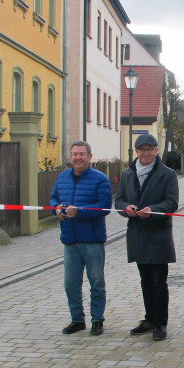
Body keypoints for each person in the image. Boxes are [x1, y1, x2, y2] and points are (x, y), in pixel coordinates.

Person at [115, 134, 178, 341]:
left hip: (158, 234)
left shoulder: (167, 174)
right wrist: (127, 208)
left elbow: (172, 203)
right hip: (138, 234)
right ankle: (149, 319)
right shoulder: (127, 174)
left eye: (150, 149)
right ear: (137, 151)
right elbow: (119, 201)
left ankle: (160, 322)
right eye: (142, 149)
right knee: (145, 280)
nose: (146, 153)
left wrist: (153, 210)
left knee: (159, 282)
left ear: (156, 150)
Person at [50, 141, 112, 336]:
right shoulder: (61, 178)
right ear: (71, 156)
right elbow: (53, 199)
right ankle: (77, 319)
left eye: (82, 154)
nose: (78, 158)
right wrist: (57, 209)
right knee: (71, 284)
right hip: (70, 240)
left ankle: (97, 320)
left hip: (92, 240)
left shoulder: (100, 179)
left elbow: (104, 206)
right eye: (75, 154)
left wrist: (80, 212)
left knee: (96, 283)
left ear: (89, 157)